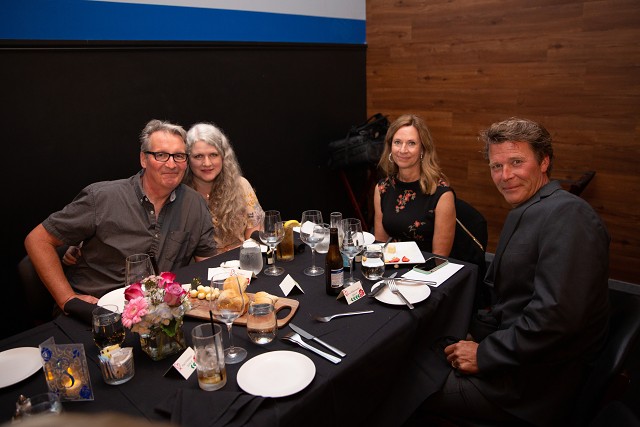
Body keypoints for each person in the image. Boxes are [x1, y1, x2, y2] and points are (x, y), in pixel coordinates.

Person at [416, 118, 611, 426]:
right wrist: (475, 334)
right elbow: (513, 299)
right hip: (518, 357)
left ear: (544, 162)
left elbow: (555, 320)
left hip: (533, 387)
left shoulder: (569, 214)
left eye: (517, 162)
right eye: (497, 166)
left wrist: (484, 354)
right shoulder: (532, 208)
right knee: (424, 353)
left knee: (410, 386)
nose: (505, 176)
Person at [24, 119, 217, 314]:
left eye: (179, 156)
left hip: (159, 314)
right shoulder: (102, 198)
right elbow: (37, 240)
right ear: (143, 159)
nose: (171, 164)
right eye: (161, 155)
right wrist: (67, 299)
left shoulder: (194, 204)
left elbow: (207, 265)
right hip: (95, 311)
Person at [373, 114, 456, 256]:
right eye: (397, 142)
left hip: (426, 267)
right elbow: (380, 245)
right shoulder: (383, 188)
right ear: (390, 146)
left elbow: (439, 258)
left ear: (423, 149)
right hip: (391, 266)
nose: (403, 150)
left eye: (411, 143)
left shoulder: (441, 195)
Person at [183, 122, 264, 255]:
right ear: (187, 159)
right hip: (202, 265)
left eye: (213, 155)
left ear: (223, 156)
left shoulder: (241, 185)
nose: (207, 163)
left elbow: (254, 233)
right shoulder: (179, 194)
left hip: (242, 260)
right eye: (198, 156)